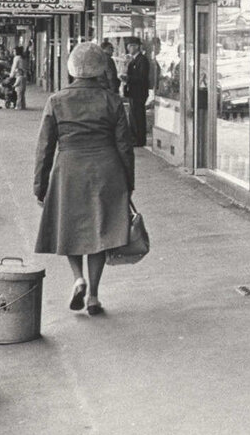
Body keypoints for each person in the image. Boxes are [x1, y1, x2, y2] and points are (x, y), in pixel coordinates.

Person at [33, 42, 135, 317]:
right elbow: (125, 145)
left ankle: (78, 278)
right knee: (100, 232)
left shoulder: (56, 100)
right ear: (101, 68)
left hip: (69, 169)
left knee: (71, 227)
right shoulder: (111, 100)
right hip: (106, 169)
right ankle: (93, 296)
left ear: (71, 67)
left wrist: (40, 186)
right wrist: (128, 182)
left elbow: (44, 148)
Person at [122, 36, 152, 147]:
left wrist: (128, 78)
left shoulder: (142, 60)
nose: (129, 48)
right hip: (133, 92)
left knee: (138, 116)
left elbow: (142, 78)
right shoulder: (134, 60)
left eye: (131, 46)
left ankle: (139, 139)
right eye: (128, 46)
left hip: (139, 93)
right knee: (133, 116)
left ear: (137, 46)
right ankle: (135, 137)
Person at [10, 44, 32, 110]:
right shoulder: (23, 58)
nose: (13, 53)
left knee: (18, 93)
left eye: (14, 51)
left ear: (17, 51)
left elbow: (14, 67)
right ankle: (23, 105)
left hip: (18, 76)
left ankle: (18, 106)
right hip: (24, 76)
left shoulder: (16, 58)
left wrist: (11, 75)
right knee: (22, 93)